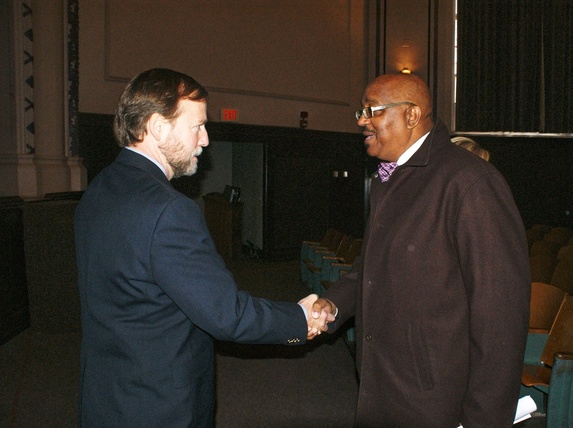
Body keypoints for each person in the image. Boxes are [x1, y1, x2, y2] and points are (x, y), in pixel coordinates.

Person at [74, 68, 333, 427]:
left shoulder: (100, 188)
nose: (206, 139)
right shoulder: (168, 209)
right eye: (197, 126)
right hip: (158, 405)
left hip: (108, 394)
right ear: (158, 127)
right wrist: (299, 319)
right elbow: (226, 314)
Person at [315, 74, 530, 427]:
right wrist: (334, 303)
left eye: (372, 111)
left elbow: (501, 321)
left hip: (433, 402)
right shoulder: (389, 178)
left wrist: (484, 420)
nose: (361, 121)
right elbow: (367, 268)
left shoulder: (469, 182)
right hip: (383, 386)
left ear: (412, 115)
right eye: (361, 110)